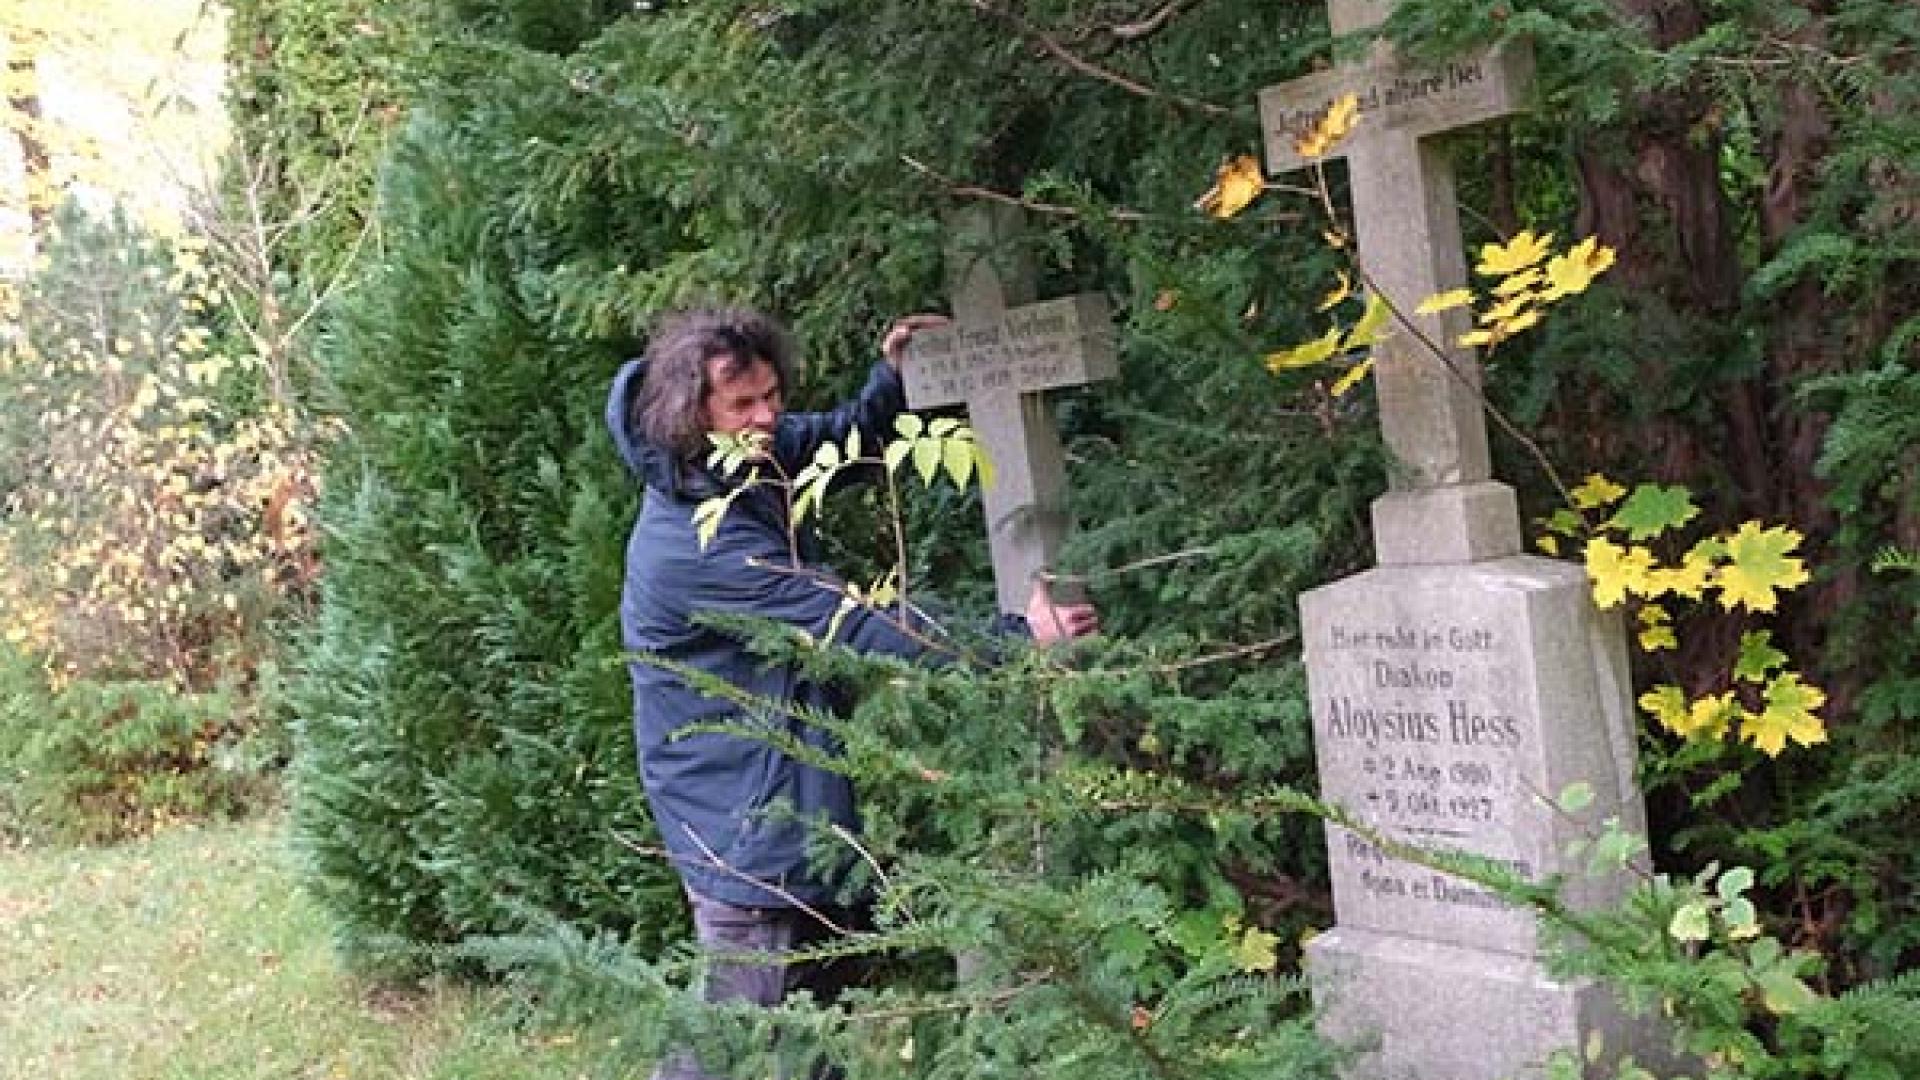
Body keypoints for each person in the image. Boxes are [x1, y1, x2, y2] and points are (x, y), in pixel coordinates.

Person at [605, 308, 1097, 1079]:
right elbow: (847, 621)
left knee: (814, 1044)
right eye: (744, 406)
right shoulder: (691, 545)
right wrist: (1011, 637)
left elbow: (838, 444)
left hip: (783, 806)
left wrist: (892, 385)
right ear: (689, 416)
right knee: (734, 1045)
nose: (768, 417)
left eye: (771, 395)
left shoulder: (738, 464)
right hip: (744, 830)